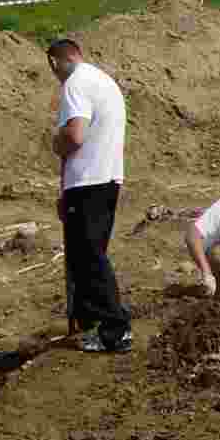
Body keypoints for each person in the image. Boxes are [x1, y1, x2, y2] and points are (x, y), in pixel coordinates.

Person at [48, 38, 132, 353]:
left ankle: (114, 328)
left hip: (88, 183)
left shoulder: (75, 84)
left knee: (89, 259)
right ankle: (90, 322)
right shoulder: (103, 80)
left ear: (54, 62)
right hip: (107, 178)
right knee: (90, 255)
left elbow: (76, 135)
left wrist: (57, 143)